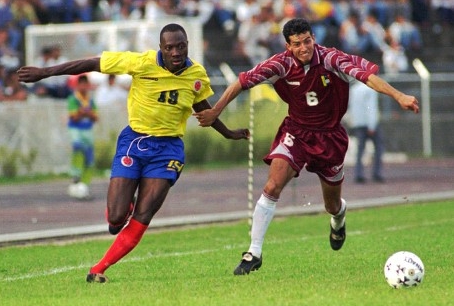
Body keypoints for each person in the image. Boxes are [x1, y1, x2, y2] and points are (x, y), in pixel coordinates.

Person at [17, 23, 249, 283]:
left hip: (168, 150)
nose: (175, 52)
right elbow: (93, 63)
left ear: (187, 45)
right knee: (115, 221)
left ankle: (98, 269)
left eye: (180, 46)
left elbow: (201, 104)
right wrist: (44, 72)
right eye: (169, 47)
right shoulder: (140, 62)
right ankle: (125, 200)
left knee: (144, 211)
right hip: (134, 142)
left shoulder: (196, 75)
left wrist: (228, 132)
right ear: (160, 47)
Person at [194, 18, 419, 275]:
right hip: (296, 131)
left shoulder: (331, 59)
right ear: (288, 45)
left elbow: (367, 77)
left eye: (308, 41)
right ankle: (253, 252)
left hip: (330, 137)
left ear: (314, 38)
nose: (304, 48)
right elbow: (241, 82)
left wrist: (399, 95)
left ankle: (339, 218)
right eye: (297, 44)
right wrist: (215, 111)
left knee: (331, 205)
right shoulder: (280, 64)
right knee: (272, 185)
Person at [66, 74, 98, 200]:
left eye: (86, 84)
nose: (84, 86)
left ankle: (84, 184)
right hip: (76, 129)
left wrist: (84, 112)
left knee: (89, 158)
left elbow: (95, 117)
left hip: (87, 130)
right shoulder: (73, 99)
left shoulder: (90, 99)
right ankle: (76, 175)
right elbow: (73, 116)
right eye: (81, 84)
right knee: (77, 146)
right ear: (77, 85)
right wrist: (84, 113)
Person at [348, 80, 384, 184]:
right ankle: (377, 173)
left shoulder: (353, 89)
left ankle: (359, 174)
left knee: (360, 150)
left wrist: (353, 121)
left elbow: (351, 106)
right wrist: (372, 125)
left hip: (358, 122)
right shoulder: (370, 89)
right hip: (369, 123)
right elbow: (371, 107)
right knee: (378, 148)